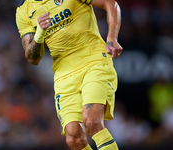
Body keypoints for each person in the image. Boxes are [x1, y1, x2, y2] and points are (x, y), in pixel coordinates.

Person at [16, 0, 123, 149]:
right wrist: (40, 33)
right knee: (74, 137)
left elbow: (110, 3)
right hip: (64, 75)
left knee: (92, 122)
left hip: (93, 62)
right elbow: (32, 58)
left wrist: (112, 37)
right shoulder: (23, 10)